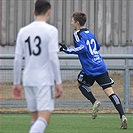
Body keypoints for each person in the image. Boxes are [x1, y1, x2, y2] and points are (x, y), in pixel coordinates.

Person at [60, 11, 127, 129]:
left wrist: (66, 50)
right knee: (110, 92)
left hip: (90, 68)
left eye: (72, 21)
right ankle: (122, 116)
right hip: (100, 65)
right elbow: (97, 46)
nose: (71, 23)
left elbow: (82, 48)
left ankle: (94, 102)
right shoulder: (89, 32)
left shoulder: (77, 34)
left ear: (76, 22)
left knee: (81, 84)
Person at [12, 0, 63, 133]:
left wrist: (16, 82)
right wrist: (58, 82)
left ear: (34, 12)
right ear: (49, 12)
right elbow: (53, 57)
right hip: (44, 80)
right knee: (44, 118)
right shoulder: (51, 30)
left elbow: (17, 59)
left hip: (28, 79)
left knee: (35, 119)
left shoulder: (23, 31)